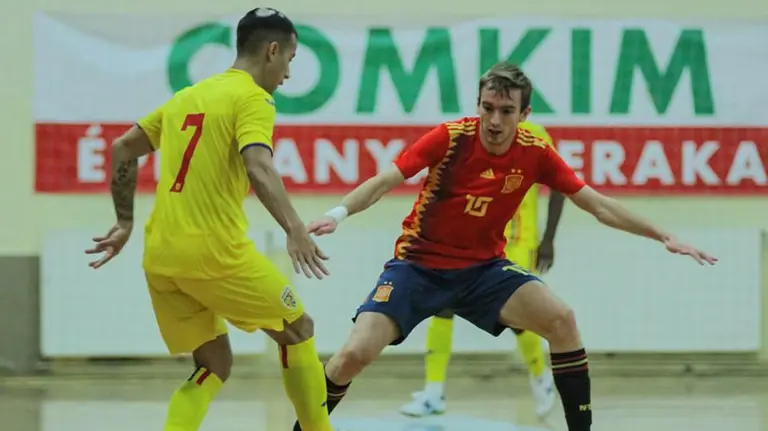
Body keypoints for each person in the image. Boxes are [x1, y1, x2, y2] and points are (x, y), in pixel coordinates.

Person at [293, 62, 717, 431]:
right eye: (488, 108)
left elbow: (598, 205)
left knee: (562, 320)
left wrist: (663, 235)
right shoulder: (450, 138)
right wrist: (337, 213)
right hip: (418, 266)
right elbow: (385, 180)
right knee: (353, 354)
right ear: (478, 105)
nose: (494, 120)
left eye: (506, 111)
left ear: (524, 114)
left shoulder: (536, 152)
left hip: (483, 270)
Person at [85, 8, 334, 431]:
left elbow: (123, 148)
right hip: (215, 253)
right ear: (272, 51)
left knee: (213, 363)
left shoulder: (188, 96)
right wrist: (295, 228)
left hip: (161, 256)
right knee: (298, 328)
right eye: (290, 60)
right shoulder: (254, 98)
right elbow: (258, 166)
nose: (288, 74)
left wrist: (124, 222)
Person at [400, 121, 565, 419]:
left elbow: (560, 185)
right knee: (443, 305)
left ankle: (541, 375)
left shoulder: (536, 136)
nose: (497, 113)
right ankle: (434, 392)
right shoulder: (475, 134)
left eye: (507, 106)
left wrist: (549, 239)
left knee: (515, 316)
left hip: (517, 242)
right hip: (474, 240)